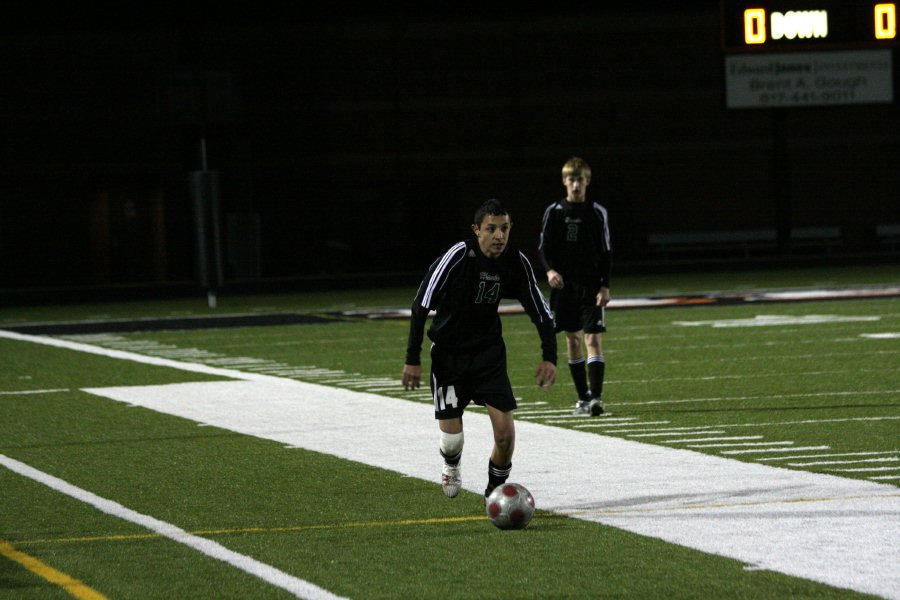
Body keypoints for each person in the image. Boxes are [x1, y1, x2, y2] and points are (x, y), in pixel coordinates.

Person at [402, 198, 557, 501]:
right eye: (491, 229)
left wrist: (549, 357)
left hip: (488, 357)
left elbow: (541, 311)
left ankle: (493, 493)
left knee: (505, 436)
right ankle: (451, 464)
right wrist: (412, 360)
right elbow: (420, 305)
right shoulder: (459, 256)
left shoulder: (515, 260)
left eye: (505, 229)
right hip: (449, 357)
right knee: (452, 441)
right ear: (476, 230)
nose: (499, 236)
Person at [538, 156, 611, 416]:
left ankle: (596, 398)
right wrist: (549, 271)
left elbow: (606, 252)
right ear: (564, 181)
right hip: (564, 287)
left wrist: (605, 285)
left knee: (592, 338)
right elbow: (543, 248)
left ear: (587, 181)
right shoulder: (554, 212)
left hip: (591, 286)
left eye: (580, 179)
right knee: (573, 339)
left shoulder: (597, 212)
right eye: (571, 179)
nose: (576, 184)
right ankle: (583, 399)